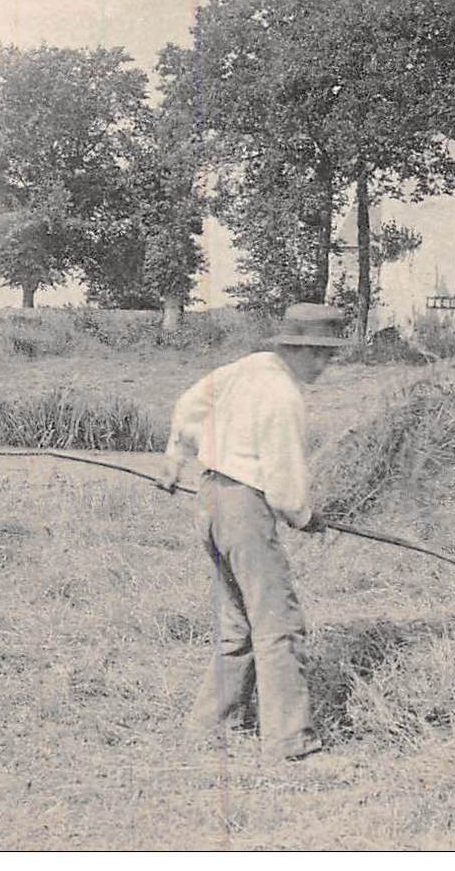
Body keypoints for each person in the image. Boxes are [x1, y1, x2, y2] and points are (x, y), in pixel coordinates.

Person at [155, 303, 345, 763]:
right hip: (244, 507)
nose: (323, 365)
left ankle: (209, 727)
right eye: (317, 354)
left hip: (210, 500)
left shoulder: (246, 368)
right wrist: (305, 516)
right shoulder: (284, 396)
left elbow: (187, 406)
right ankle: (289, 741)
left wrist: (175, 458)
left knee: (236, 623)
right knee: (279, 624)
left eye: (330, 356)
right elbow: (284, 483)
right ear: (294, 348)